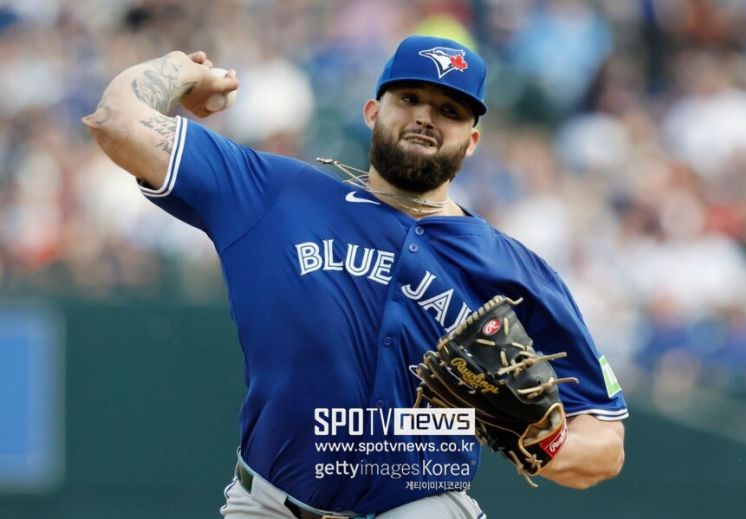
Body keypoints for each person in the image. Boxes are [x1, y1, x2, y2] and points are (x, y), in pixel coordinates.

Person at [83, 35, 627, 519]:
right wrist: (181, 69)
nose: (425, 117)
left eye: (449, 110)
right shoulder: (274, 195)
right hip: (269, 503)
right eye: (408, 98)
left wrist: (547, 445)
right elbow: (117, 122)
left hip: (422, 505)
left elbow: (606, 441)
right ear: (372, 111)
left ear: (472, 140)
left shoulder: (515, 271)